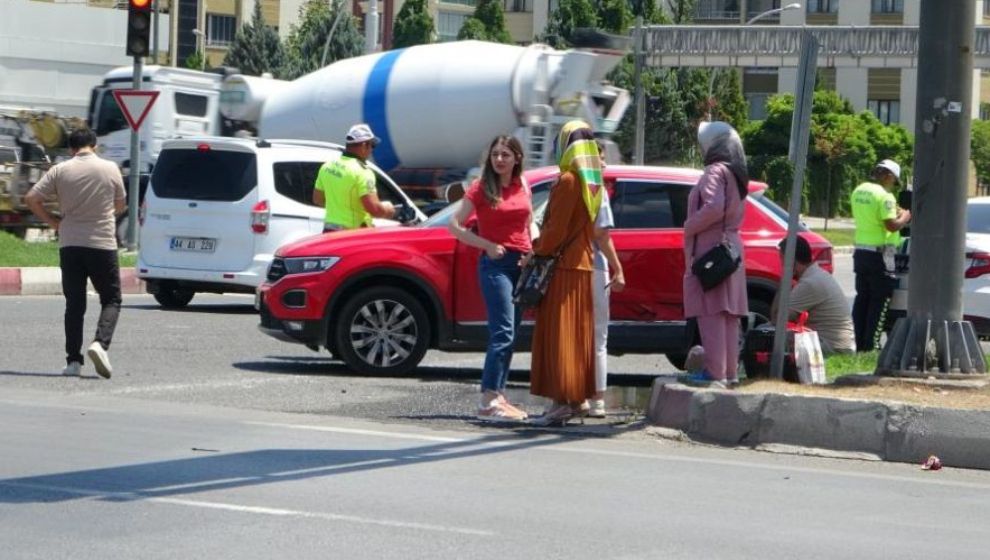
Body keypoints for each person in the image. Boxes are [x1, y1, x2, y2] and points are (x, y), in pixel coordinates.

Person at [24, 127, 126, 379]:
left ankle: (73, 362)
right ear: (94, 145)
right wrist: (103, 216)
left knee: (75, 304)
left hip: (69, 244)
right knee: (111, 299)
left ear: (71, 149)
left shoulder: (60, 170)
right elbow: (121, 204)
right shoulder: (110, 168)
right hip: (102, 243)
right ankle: (100, 344)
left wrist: (53, 222)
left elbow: (31, 198)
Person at [448, 136, 531, 422]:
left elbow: (528, 223)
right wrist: (486, 245)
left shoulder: (523, 185)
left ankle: (499, 395)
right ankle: (487, 400)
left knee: (511, 334)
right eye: (495, 154)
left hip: (522, 263)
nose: (499, 160)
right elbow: (454, 225)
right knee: (502, 332)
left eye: (505, 154)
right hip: (495, 265)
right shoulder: (481, 187)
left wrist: (533, 250)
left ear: (517, 158)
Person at [530, 120, 600, 425]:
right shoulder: (591, 183)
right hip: (581, 264)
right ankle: (576, 399)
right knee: (577, 335)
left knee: (560, 335)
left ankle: (560, 402)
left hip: (563, 267)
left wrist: (536, 247)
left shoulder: (568, 180)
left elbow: (555, 230)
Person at [682, 121, 749, 390]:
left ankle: (714, 373)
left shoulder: (713, 171)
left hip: (709, 250)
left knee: (710, 313)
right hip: (730, 249)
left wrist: (688, 227)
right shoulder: (735, 174)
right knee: (729, 314)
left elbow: (712, 207)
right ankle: (729, 372)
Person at [850, 159, 911, 352]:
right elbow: (891, 225)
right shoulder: (886, 197)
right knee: (881, 300)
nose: (893, 185)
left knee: (862, 299)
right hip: (881, 255)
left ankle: (860, 344)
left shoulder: (859, 190)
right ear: (889, 176)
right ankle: (872, 345)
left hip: (861, 252)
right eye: (894, 182)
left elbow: (872, 215)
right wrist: (906, 217)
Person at [586, 139, 625, 418]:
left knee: (576, 334)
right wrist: (618, 267)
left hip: (568, 268)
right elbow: (602, 234)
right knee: (599, 335)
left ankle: (576, 395)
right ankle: (598, 398)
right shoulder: (596, 190)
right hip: (594, 266)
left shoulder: (563, 185)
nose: (604, 163)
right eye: (600, 158)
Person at [771, 235, 856, 355]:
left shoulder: (809, 283)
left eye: (783, 260)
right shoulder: (816, 274)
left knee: (770, 337)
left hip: (834, 348)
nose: (782, 265)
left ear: (792, 261)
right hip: (839, 345)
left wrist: (784, 282)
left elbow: (777, 319)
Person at [312, 123, 395, 231]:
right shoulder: (362, 172)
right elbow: (374, 210)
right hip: (351, 235)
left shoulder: (327, 166)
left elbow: (317, 199)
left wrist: (340, 209)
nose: (371, 150)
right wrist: (387, 209)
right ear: (364, 145)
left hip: (329, 231)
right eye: (372, 145)